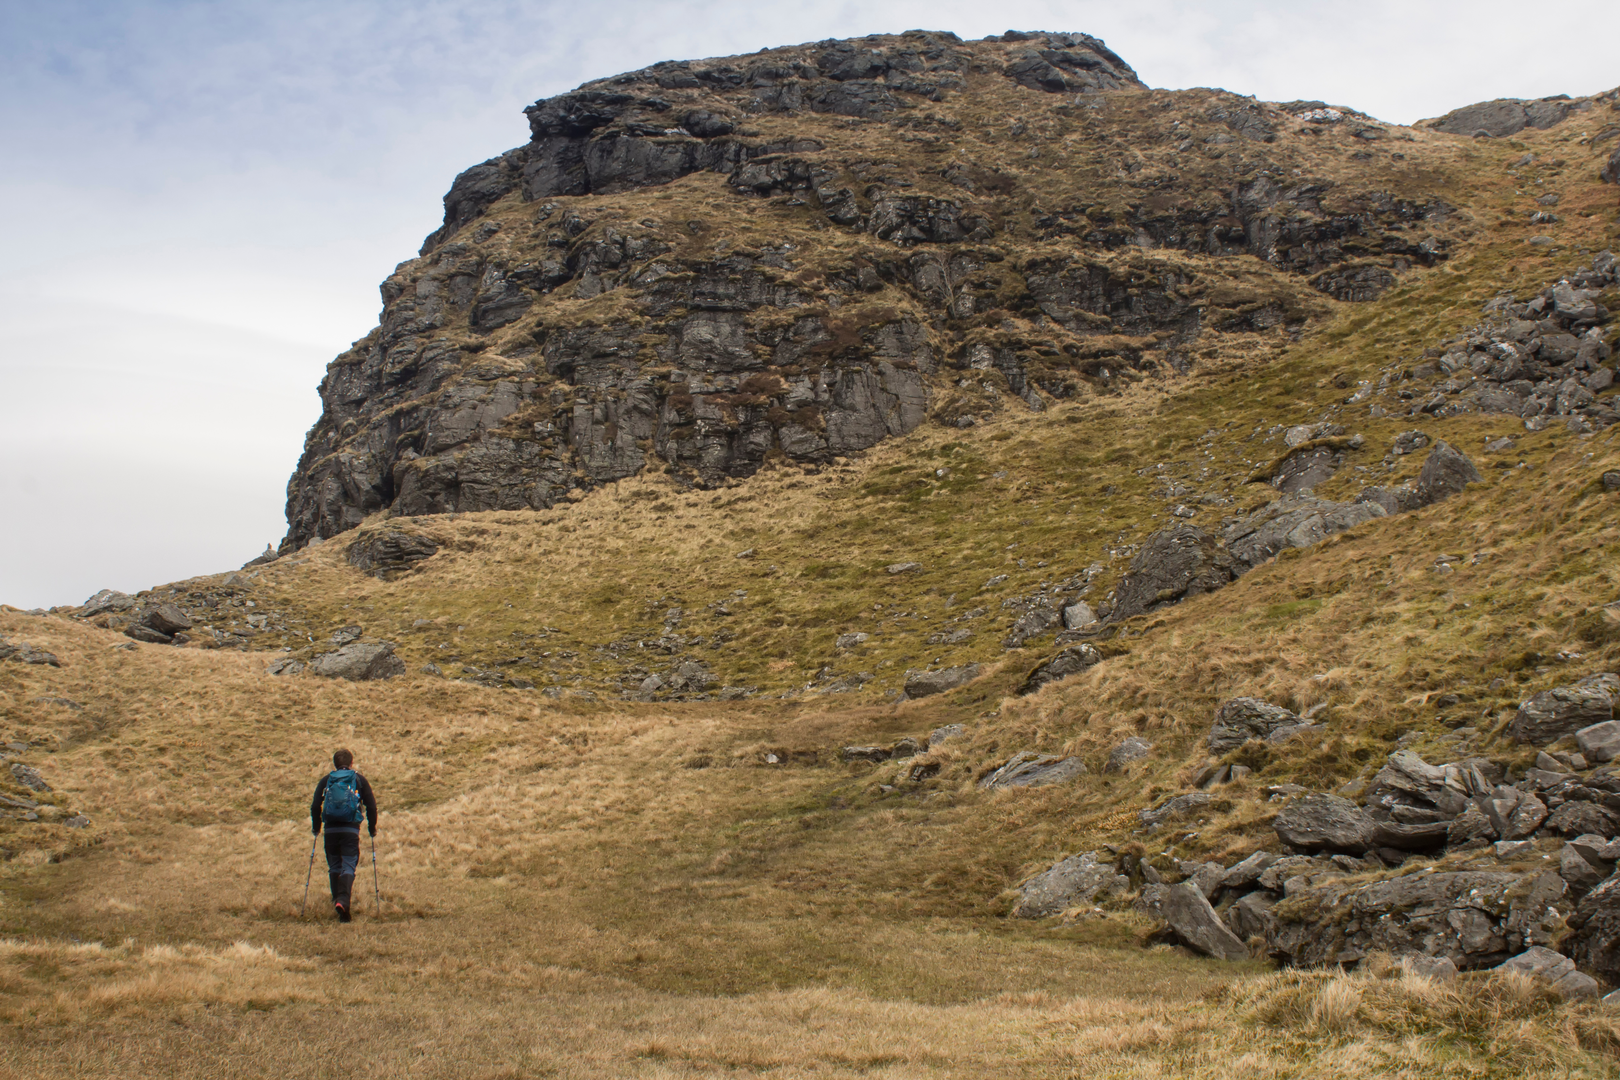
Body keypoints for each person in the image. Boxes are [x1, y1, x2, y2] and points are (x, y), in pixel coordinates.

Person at [310, 749, 377, 922]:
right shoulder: (358, 779)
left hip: (330, 830)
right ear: (351, 763)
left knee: (334, 866)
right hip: (350, 830)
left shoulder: (327, 780)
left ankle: (339, 903)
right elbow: (371, 805)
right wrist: (372, 828)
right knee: (348, 865)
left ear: (334, 763)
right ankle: (342, 901)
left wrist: (316, 827)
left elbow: (315, 805)